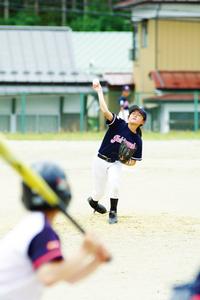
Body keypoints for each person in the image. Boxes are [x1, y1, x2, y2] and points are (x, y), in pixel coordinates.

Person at [0, 161, 111, 300]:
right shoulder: (41, 230)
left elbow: (69, 275)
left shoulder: (34, 225)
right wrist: (85, 251)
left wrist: (97, 260)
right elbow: (48, 277)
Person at [87, 80, 147, 224]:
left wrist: (125, 160)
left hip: (115, 163)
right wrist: (100, 91)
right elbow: (105, 111)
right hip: (100, 160)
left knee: (115, 184)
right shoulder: (118, 123)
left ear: (142, 122)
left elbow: (133, 162)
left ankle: (113, 213)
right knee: (98, 192)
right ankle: (93, 202)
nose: (134, 115)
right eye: (133, 113)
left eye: (139, 115)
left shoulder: (137, 140)